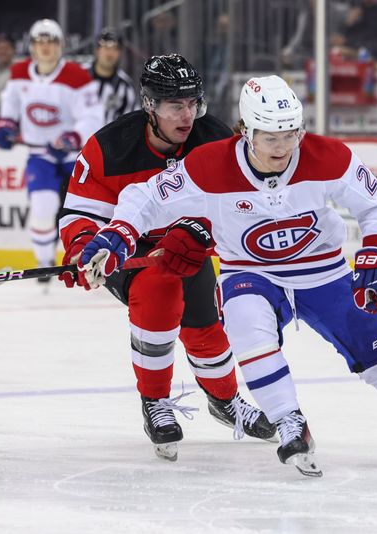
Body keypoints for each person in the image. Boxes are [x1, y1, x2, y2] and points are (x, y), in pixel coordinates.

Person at [73, 75, 377, 476]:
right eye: (270, 136)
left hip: (322, 270)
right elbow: (143, 197)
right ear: (245, 132)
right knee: (249, 330)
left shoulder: (328, 156)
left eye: (291, 134)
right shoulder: (211, 164)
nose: (283, 147)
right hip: (249, 271)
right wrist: (118, 235)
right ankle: (290, 421)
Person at [58, 54, 276, 462]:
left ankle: (225, 401)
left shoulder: (215, 141)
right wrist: (82, 250)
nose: (187, 115)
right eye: (176, 105)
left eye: (194, 103)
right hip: (131, 251)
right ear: (149, 105)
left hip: (188, 248)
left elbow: (241, 207)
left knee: (207, 331)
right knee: (159, 293)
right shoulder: (109, 146)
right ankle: (154, 401)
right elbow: (80, 215)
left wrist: (200, 234)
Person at [0, 19, 103, 280]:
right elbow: (9, 107)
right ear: (31, 46)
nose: (45, 47)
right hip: (40, 156)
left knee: (83, 211)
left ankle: (88, 258)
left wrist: (73, 137)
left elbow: (93, 116)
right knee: (43, 206)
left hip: (74, 158)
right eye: (40, 42)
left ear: (60, 45)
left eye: (51, 41)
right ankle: (44, 265)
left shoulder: (77, 76)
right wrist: (4, 126)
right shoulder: (19, 73)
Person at [86, 28, 138, 125]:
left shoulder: (125, 86)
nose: (110, 53)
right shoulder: (80, 76)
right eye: (106, 47)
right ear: (97, 50)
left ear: (120, 53)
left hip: (108, 139)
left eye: (115, 48)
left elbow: (129, 123)